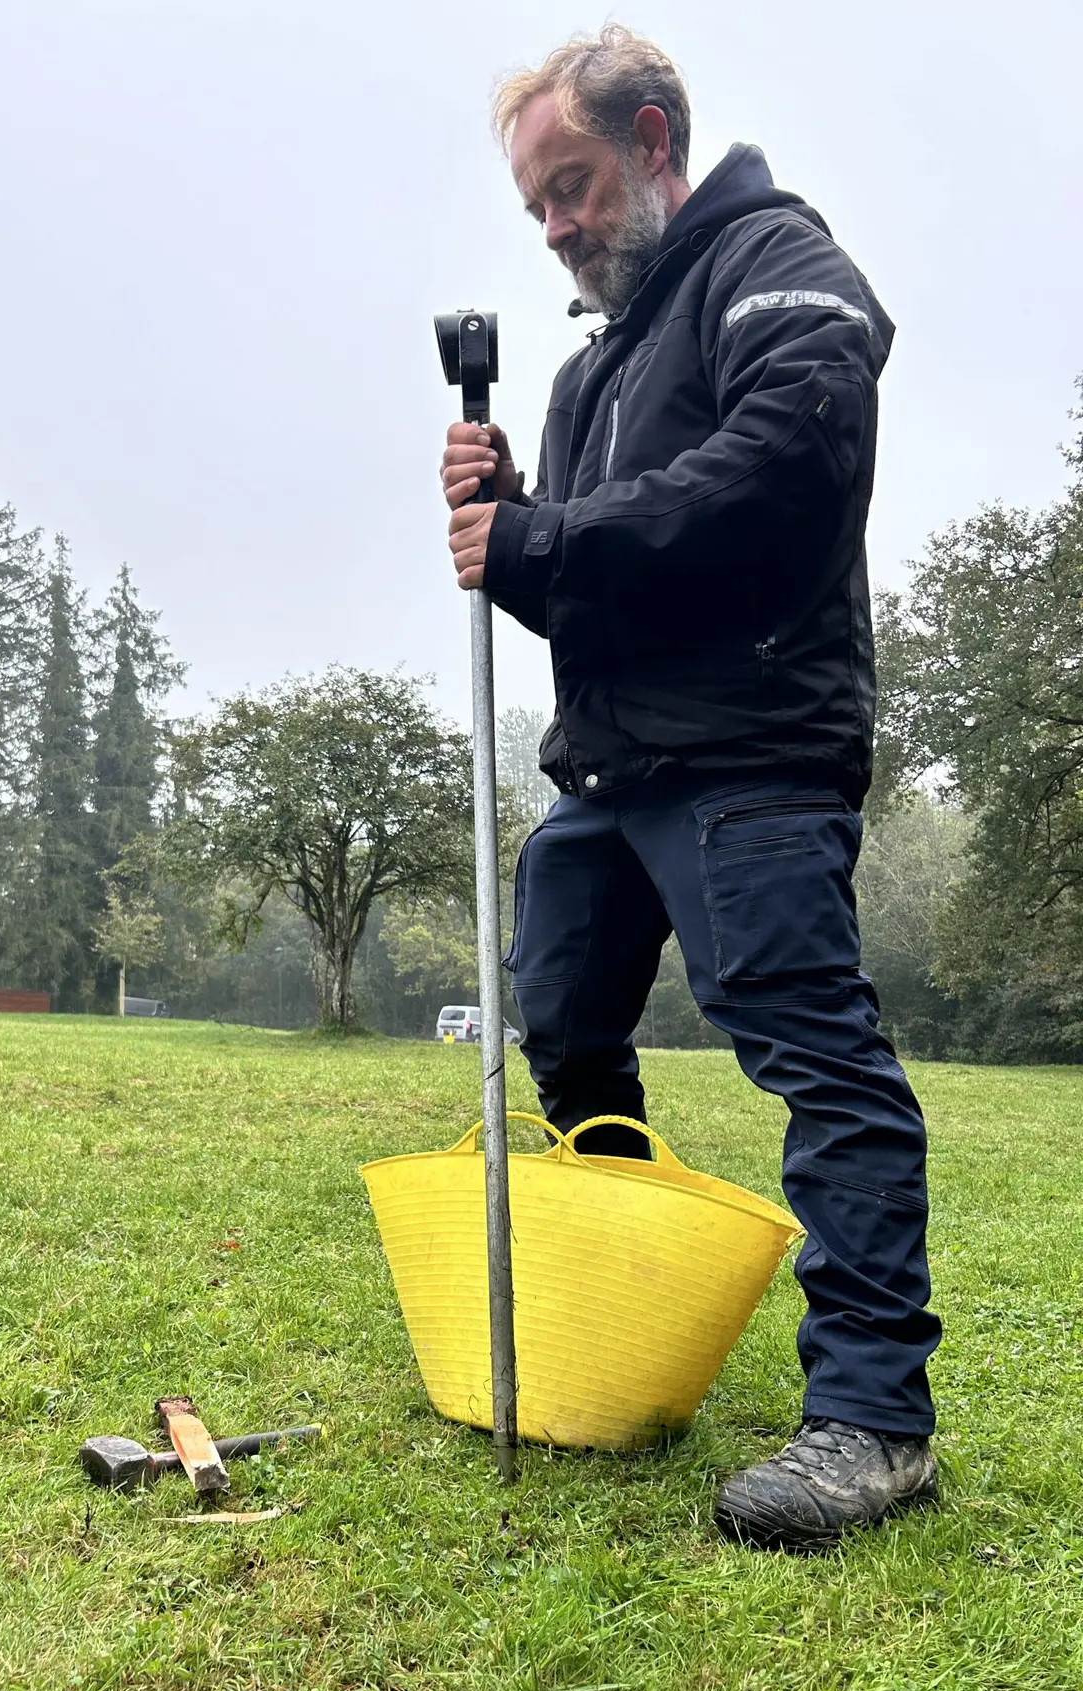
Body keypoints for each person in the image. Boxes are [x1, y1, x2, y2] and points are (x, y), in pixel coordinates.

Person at [440, 26, 941, 1552]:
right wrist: (518, 520)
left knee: (813, 1056)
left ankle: (875, 1420)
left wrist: (545, 545)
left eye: (572, 187)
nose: (557, 228)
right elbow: (599, 583)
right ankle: (623, 1302)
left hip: (752, 756)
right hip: (611, 768)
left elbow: (781, 470)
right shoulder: (602, 360)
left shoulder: (780, 267)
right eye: (534, 210)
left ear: (654, 140)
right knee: (565, 1023)